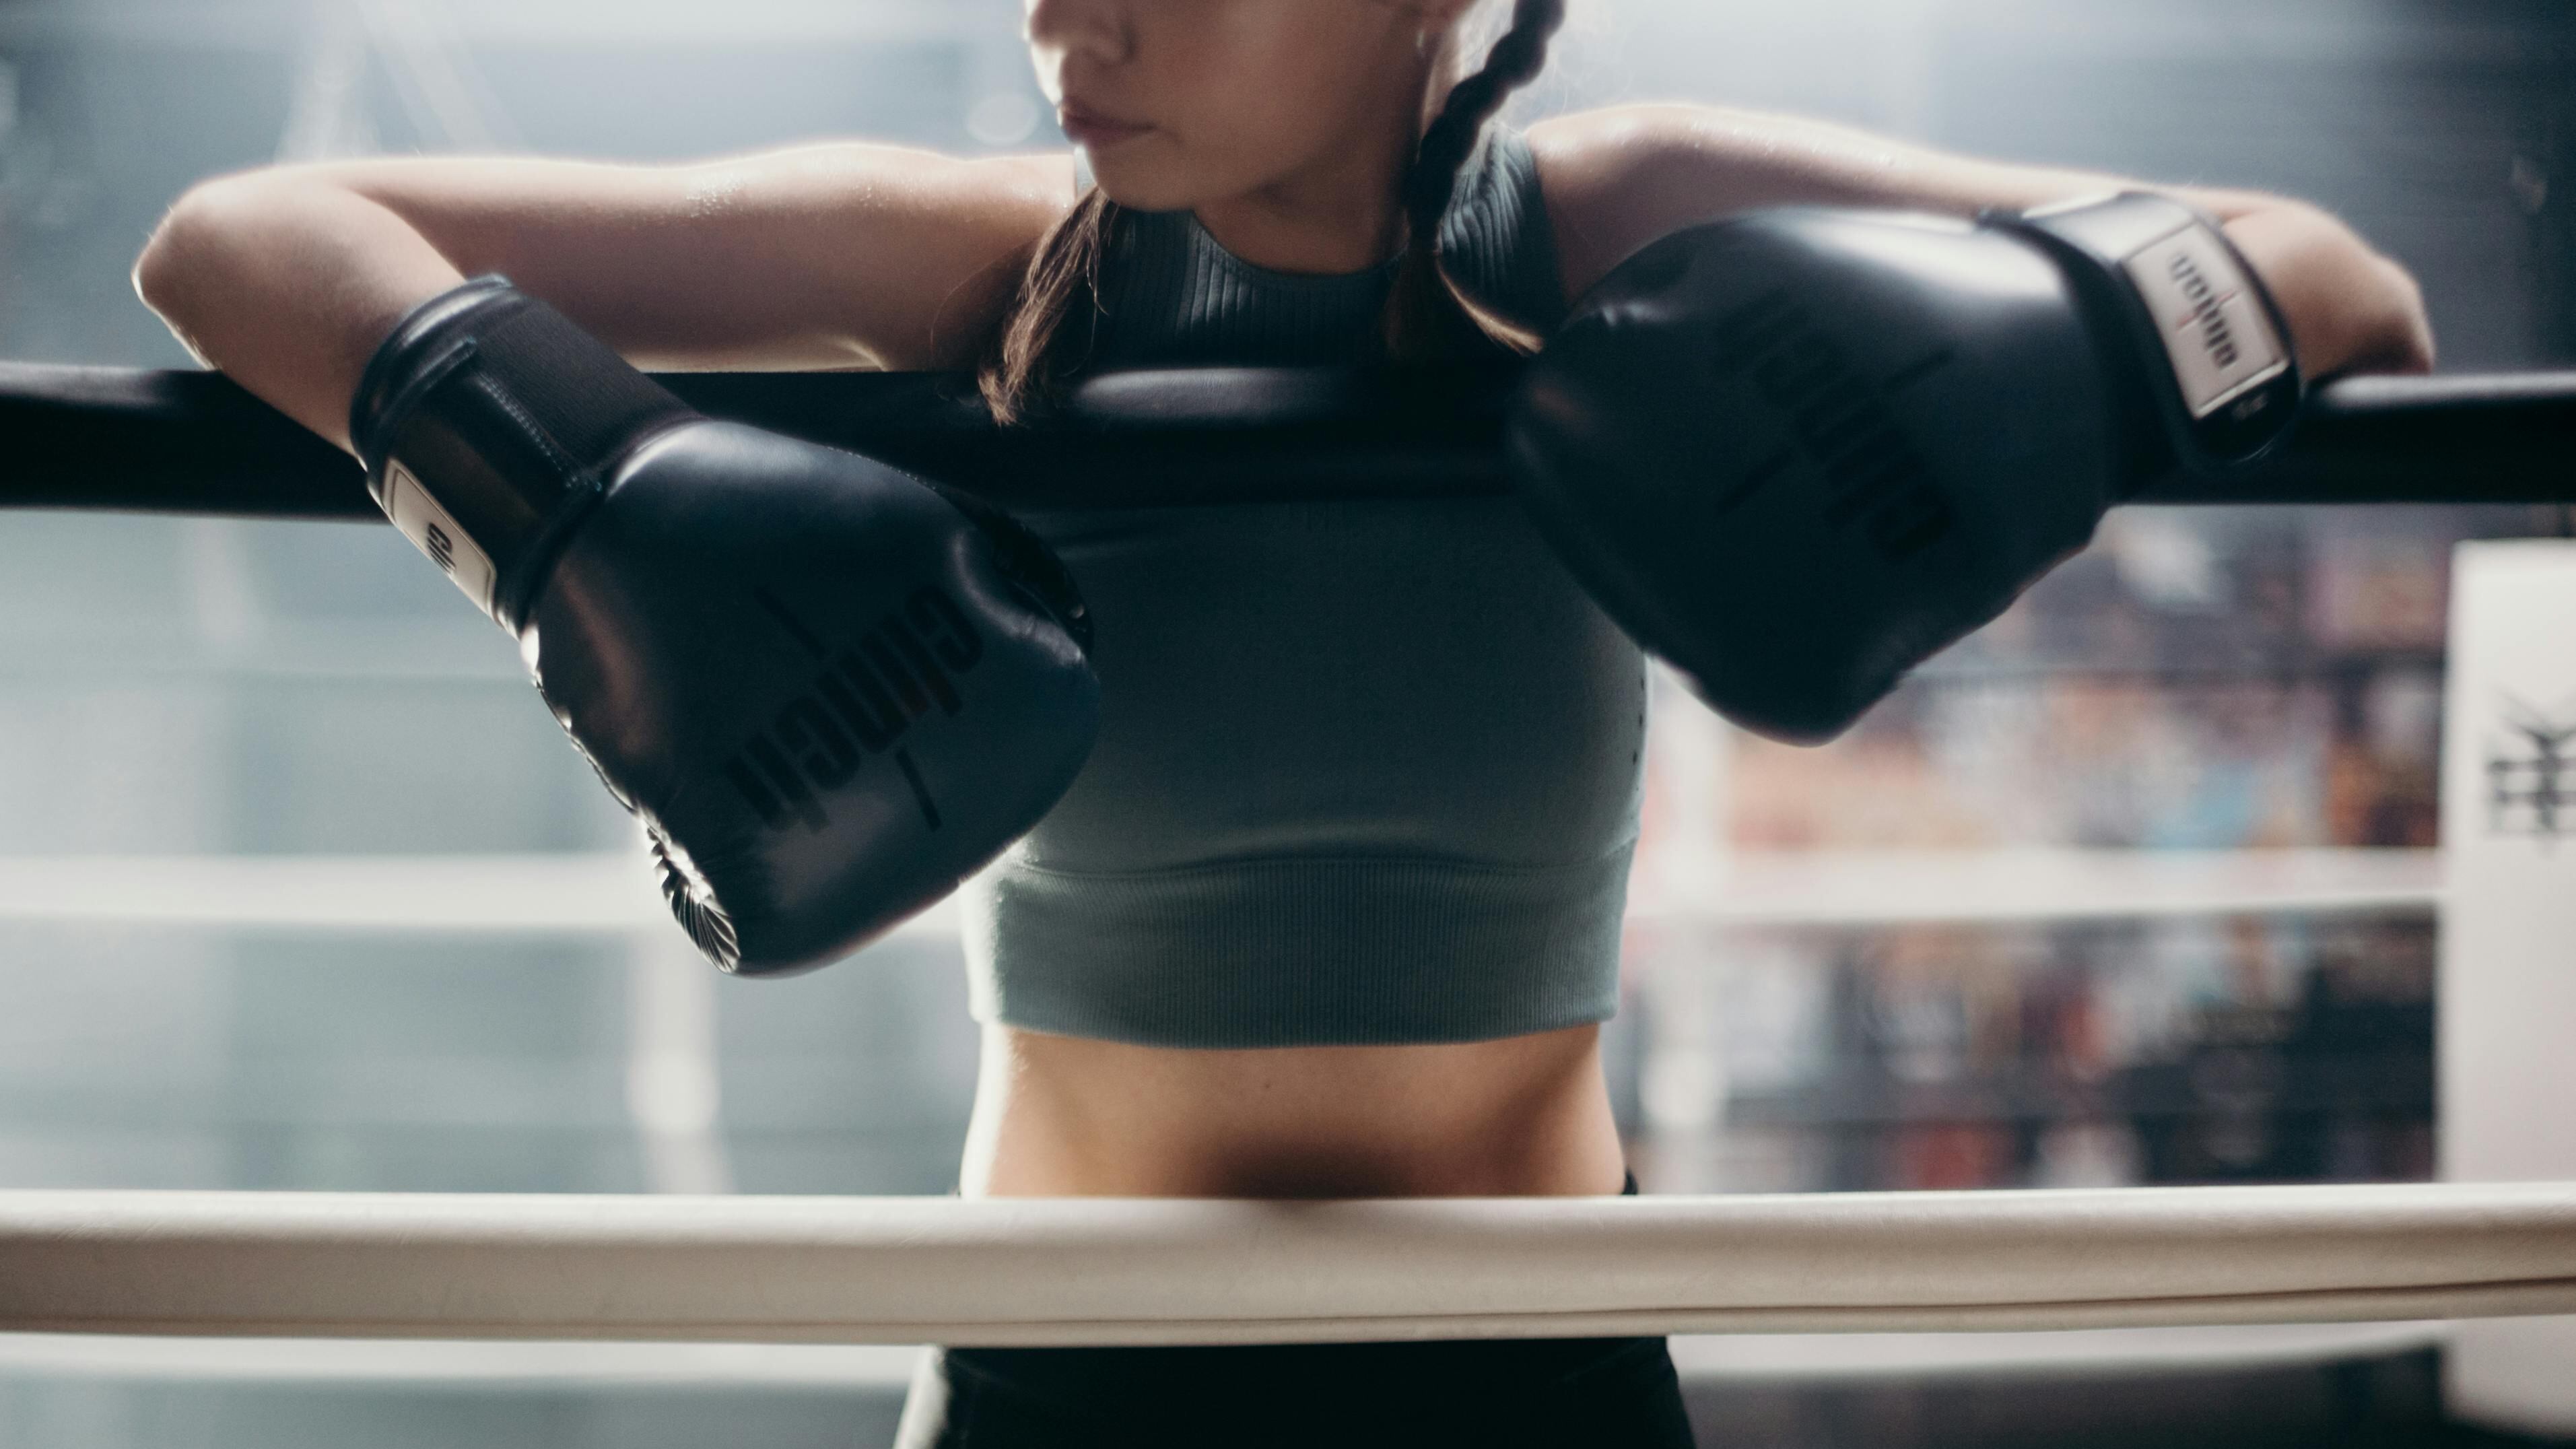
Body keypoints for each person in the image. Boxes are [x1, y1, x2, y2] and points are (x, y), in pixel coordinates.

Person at [129, 1, 2436, 1443]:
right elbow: (239, 234)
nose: (1068, 19)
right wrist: (581, 501)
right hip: (1068, 1362)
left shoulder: (1598, 226)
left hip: (1530, 1356)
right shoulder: (974, 256)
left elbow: (2338, 283)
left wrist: (2057, 357)